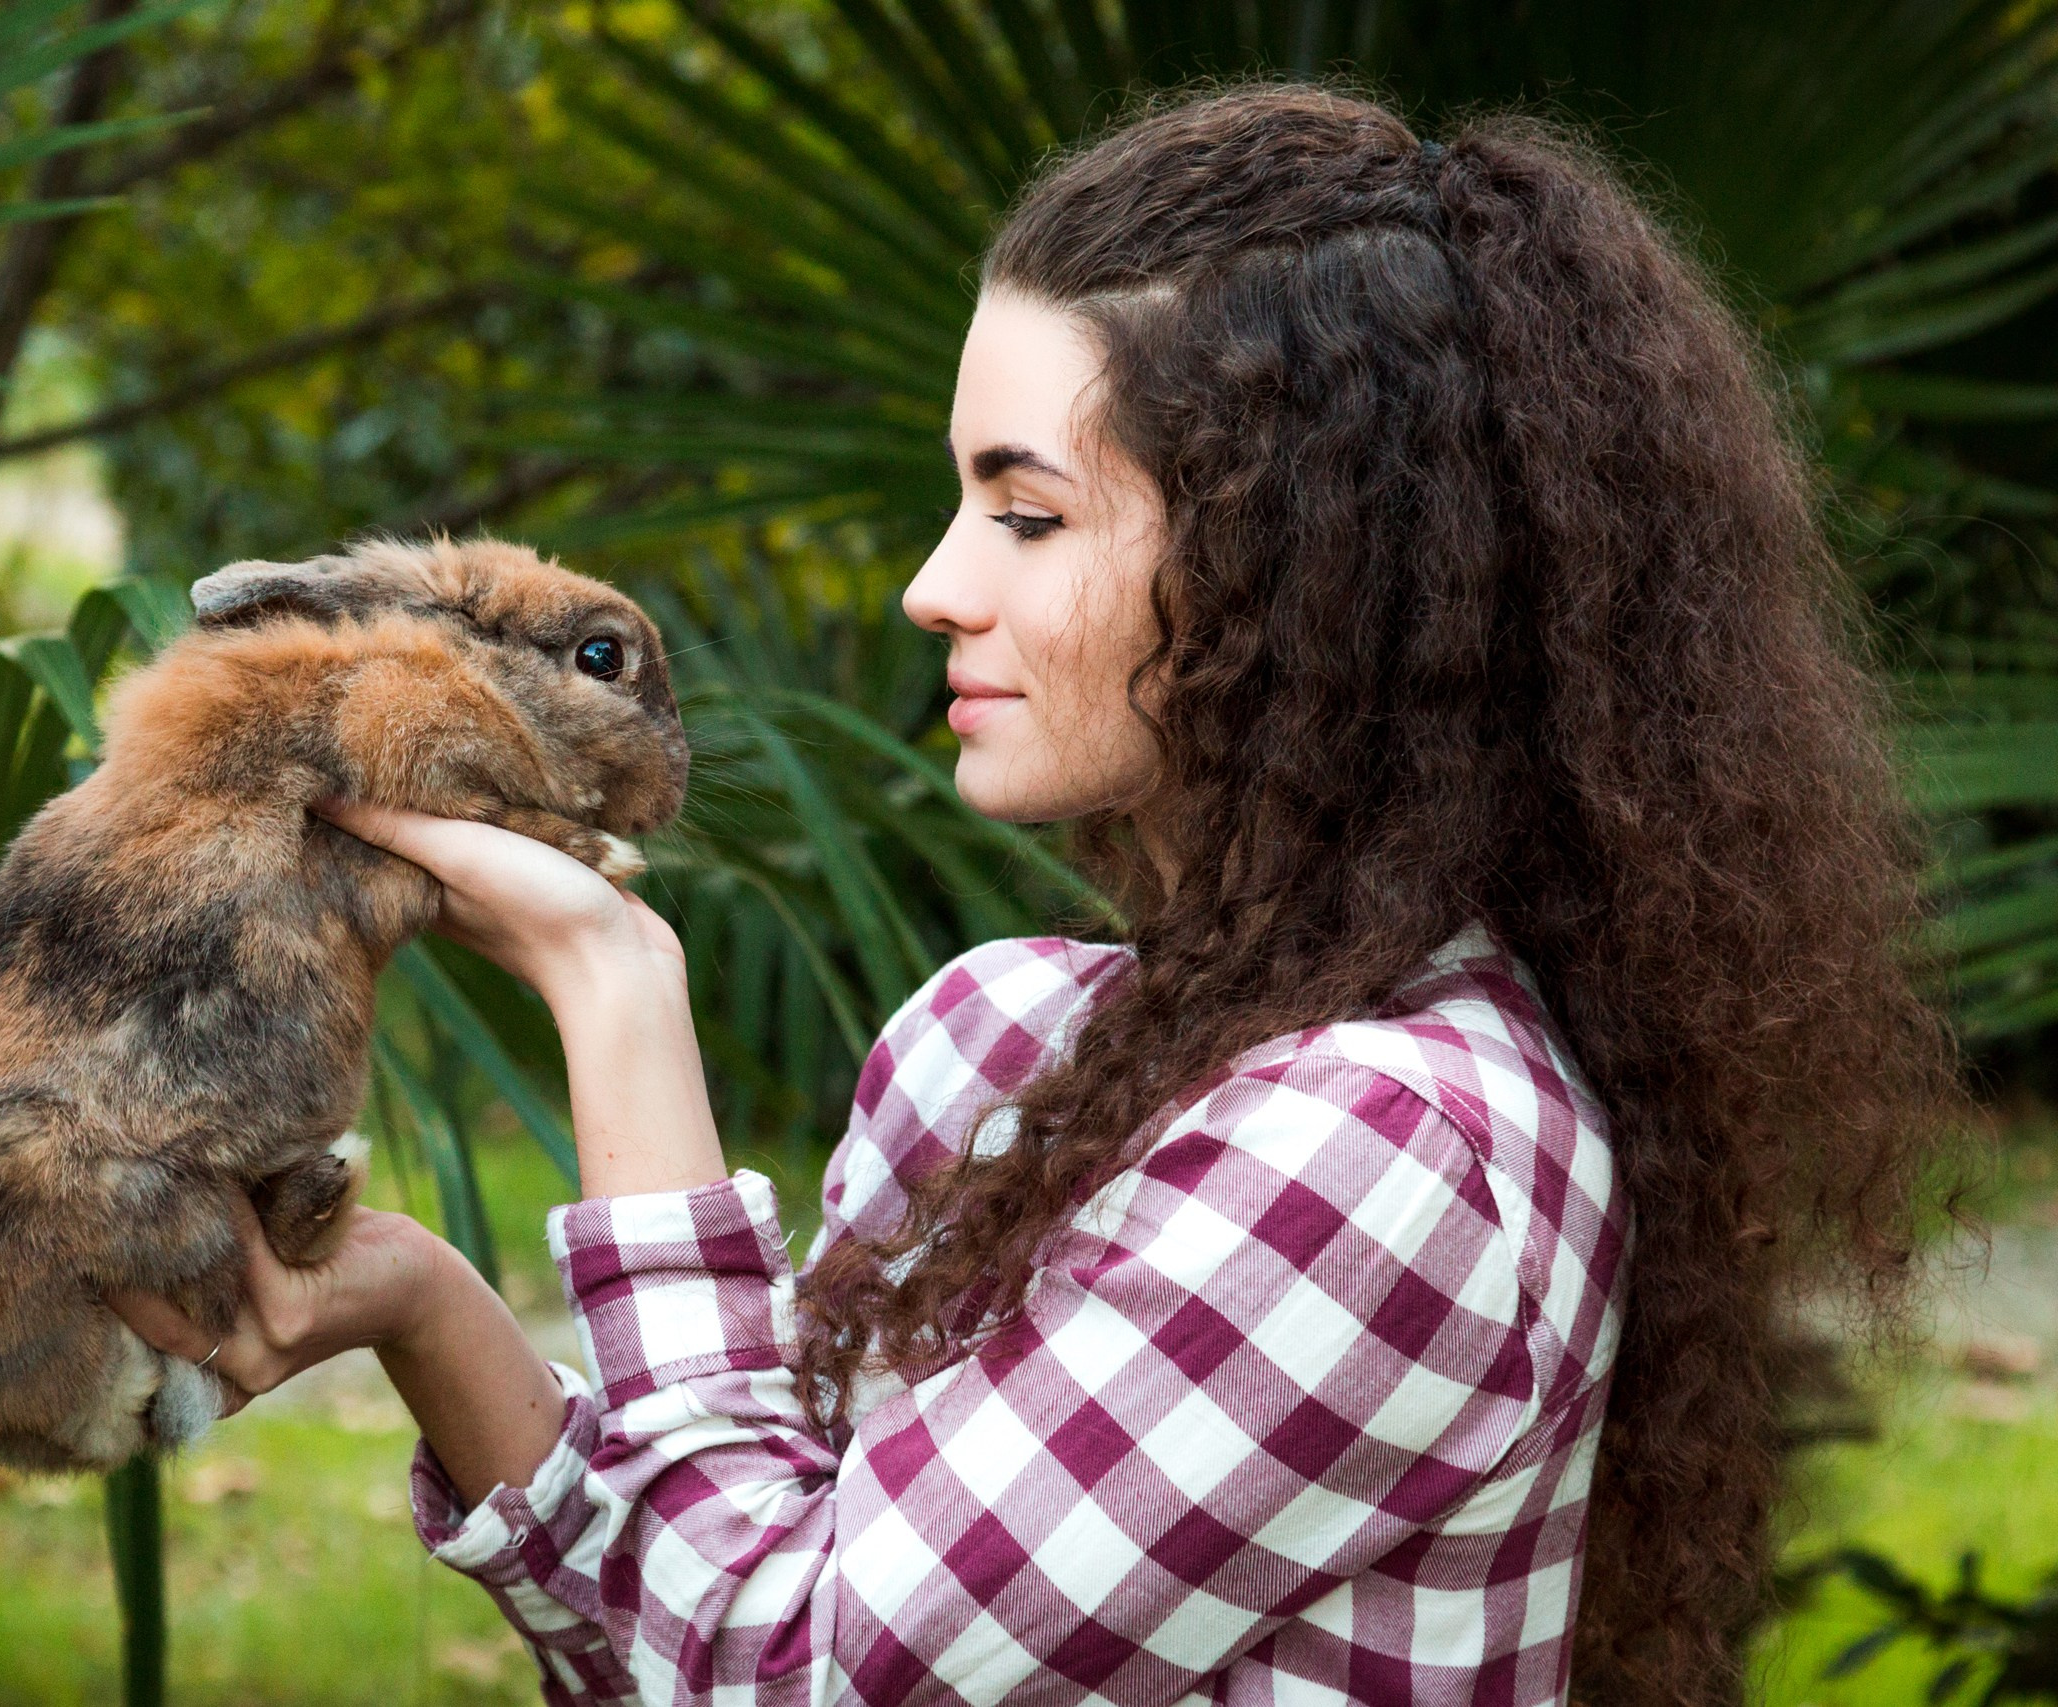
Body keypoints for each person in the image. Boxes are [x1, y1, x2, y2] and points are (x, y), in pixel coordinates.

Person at [111, 85, 1954, 1707]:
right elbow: (688, 1623)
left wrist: (612, 984)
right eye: (955, 497)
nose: (932, 586)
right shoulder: (1007, 1045)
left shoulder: (1394, 1163)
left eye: (1028, 512)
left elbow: (778, 1681)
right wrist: (428, 1309)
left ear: (1291, 568)